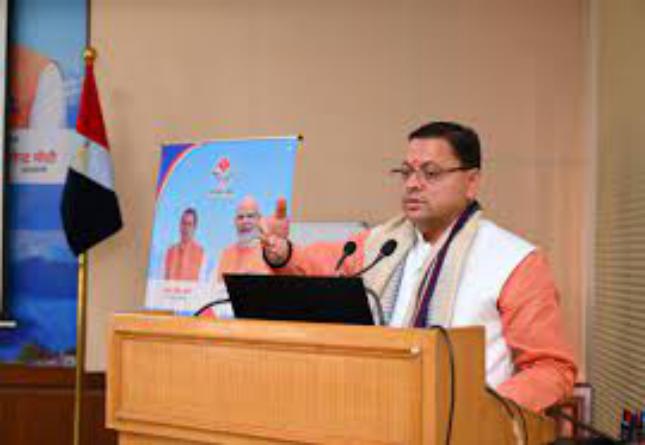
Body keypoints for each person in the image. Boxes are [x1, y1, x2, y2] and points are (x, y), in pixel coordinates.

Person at [260, 121, 577, 413]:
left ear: (471, 182)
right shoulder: (383, 244)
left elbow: (551, 369)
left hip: (464, 429)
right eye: (406, 172)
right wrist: (282, 253)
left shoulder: (514, 260)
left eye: (430, 173)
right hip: (378, 416)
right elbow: (325, 264)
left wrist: (485, 411)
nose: (412, 184)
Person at [215, 195, 270, 281]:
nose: (245, 221)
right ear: (235, 222)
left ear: (259, 220)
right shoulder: (226, 253)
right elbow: (218, 285)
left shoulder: (270, 253)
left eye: (250, 216)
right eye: (240, 217)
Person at [164, 208, 205, 281]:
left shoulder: (201, 254)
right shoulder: (170, 252)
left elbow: (202, 282)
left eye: (189, 224)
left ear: (194, 227)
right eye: (183, 223)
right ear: (180, 225)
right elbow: (163, 280)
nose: (186, 228)